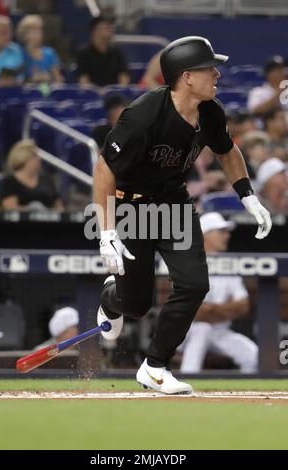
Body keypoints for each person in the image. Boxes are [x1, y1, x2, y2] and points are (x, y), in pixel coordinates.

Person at [93, 36, 272, 395]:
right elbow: (104, 170)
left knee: (194, 284)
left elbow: (227, 150)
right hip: (133, 208)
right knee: (137, 304)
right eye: (209, 68)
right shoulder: (143, 115)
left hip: (173, 203)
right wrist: (106, 232)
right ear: (187, 76)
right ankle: (111, 299)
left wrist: (248, 196)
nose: (217, 73)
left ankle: (155, 367)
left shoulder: (210, 111)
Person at [179, 212, 258, 373]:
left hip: (220, 331)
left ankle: (247, 397)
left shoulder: (228, 265)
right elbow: (192, 312)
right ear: (206, 234)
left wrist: (210, 310)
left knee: (254, 355)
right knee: (202, 329)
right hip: (184, 332)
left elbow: (243, 306)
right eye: (221, 232)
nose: (227, 236)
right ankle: (186, 382)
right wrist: (224, 309)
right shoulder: (187, 262)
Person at [0, 139, 64, 211]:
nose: (39, 158)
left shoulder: (47, 180)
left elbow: (59, 207)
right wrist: (34, 211)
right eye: (34, 155)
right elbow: (10, 209)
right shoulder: (9, 182)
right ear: (23, 158)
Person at [76, 16, 130, 87]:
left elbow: (124, 77)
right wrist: (98, 92)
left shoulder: (117, 52)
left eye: (109, 29)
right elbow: (83, 79)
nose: (108, 32)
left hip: (115, 94)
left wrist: (119, 89)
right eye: (104, 29)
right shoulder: (83, 53)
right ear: (94, 32)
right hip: (93, 95)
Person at [16, 14, 63, 84]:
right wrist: (33, 79)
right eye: (35, 31)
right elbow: (18, 81)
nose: (40, 34)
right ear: (25, 35)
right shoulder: (20, 54)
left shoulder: (49, 53)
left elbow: (58, 80)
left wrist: (49, 78)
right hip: (28, 93)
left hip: (48, 92)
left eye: (40, 30)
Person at [0, 15, 24, 82]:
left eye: (9, 32)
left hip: (10, 90)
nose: (7, 36)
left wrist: (13, 81)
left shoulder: (16, 50)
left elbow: (20, 77)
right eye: (2, 32)